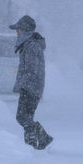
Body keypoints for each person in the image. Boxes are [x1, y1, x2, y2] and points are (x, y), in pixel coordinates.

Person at [10, 15, 53, 150]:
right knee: (26, 116)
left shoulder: (31, 46)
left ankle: (39, 139)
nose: (17, 32)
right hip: (31, 86)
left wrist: (24, 83)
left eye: (19, 30)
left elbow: (32, 68)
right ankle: (33, 142)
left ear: (25, 30)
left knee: (22, 117)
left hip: (30, 87)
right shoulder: (29, 45)